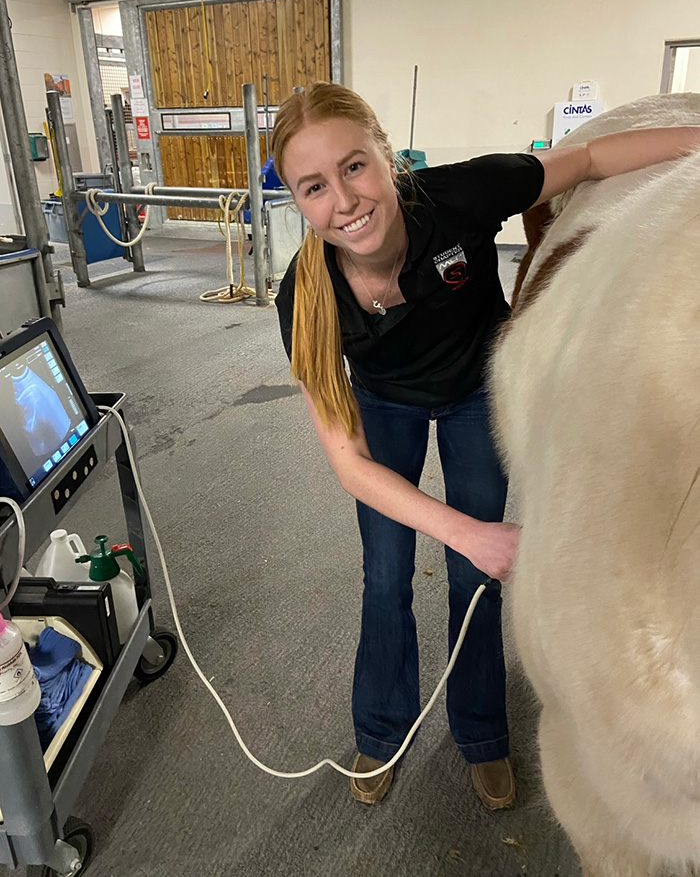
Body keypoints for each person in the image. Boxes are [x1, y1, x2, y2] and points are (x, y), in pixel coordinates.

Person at [271, 81, 700, 809]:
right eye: (314, 186)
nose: (343, 200)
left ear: (389, 158)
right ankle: (380, 733)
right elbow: (349, 463)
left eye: (354, 167)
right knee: (385, 576)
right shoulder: (304, 299)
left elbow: (590, 158)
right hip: (386, 405)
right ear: (297, 201)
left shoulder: (459, 198)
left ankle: (480, 734)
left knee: (477, 577)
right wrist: (463, 529)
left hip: (475, 394)